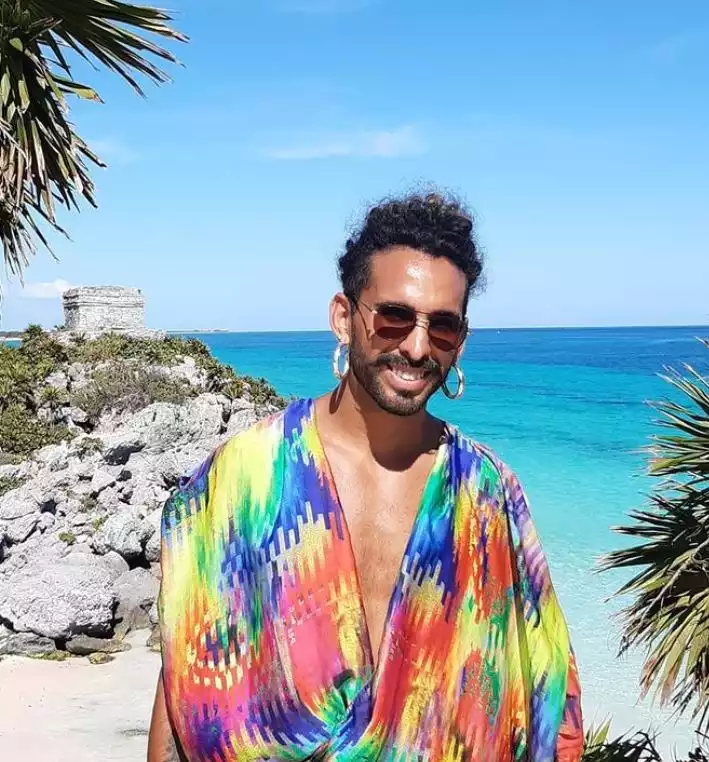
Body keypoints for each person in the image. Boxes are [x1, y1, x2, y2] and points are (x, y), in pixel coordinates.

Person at [148, 192, 583, 762]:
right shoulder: (248, 477)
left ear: (461, 341)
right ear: (343, 317)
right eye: (394, 316)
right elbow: (186, 675)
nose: (418, 347)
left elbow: (544, 686)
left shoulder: (486, 494)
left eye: (443, 326)